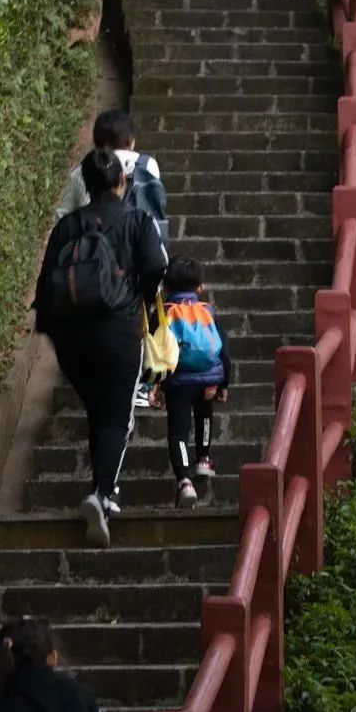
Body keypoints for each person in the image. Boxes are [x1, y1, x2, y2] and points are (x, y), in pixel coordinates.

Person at [35, 147, 168, 547]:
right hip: (118, 332)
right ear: (121, 180)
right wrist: (142, 296)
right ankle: (102, 494)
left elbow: (45, 287)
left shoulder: (67, 226)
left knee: (99, 412)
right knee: (115, 418)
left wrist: (55, 333)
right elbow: (157, 265)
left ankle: (103, 491)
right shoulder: (137, 219)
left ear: (87, 185)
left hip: (72, 340)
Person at [153, 258, 231, 510]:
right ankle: (204, 458)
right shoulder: (208, 311)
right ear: (200, 288)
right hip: (208, 379)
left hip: (177, 382)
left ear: (166, 287)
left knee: (178, 432)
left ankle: (184, 480)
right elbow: (224, 351)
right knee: (204, 415)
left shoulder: (163, 312)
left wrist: (153, 386)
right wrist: (224, 383)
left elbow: (153, 353)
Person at [55, 108, 168, 245]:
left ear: (96, 142)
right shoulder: (148, 165)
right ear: (130, 140)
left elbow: (61, 216)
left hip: (92, 248)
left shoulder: (81, 170)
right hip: (136, 244)